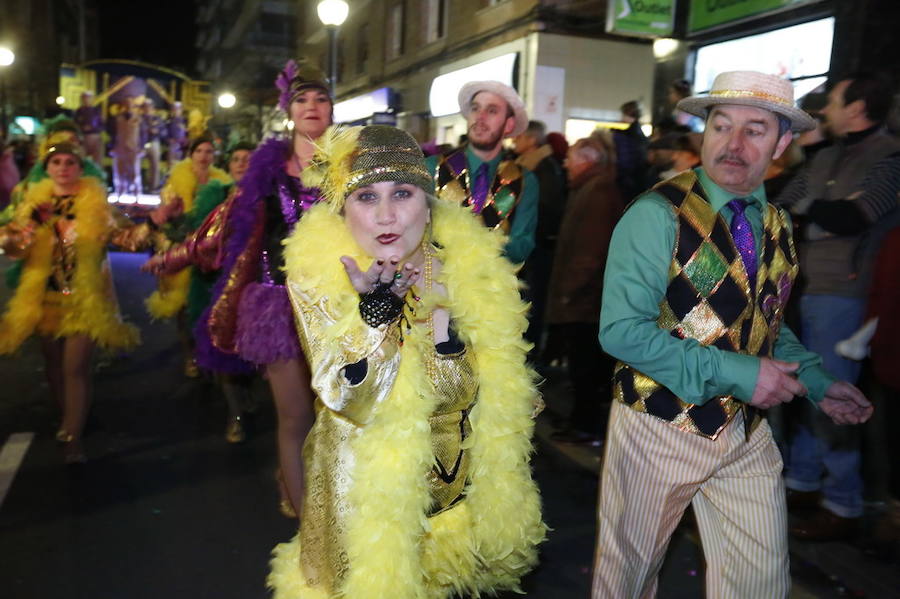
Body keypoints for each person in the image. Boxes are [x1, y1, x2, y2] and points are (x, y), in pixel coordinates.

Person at [592, 71, 874, 598]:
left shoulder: (777, 224)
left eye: (755, 130)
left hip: (744, 430)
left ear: (783, 144)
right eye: (721, 126)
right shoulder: (657, 213)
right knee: (627, 578)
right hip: (659, 425)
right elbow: (621, 333)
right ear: (704, 131)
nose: (734, 143)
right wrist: (742, 374)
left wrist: (816, 382)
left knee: (760, 578)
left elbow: (768, 324)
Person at [268, 124, 545, 599]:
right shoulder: (321, 279)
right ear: (342, 208)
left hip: (461, 504)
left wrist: (446, 330)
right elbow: (348, 396)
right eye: (366, 198)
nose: (386, 215)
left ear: (429, 201)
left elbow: (496, 394)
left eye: (402, 193)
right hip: (369, 508)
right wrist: (376, 318)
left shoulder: (468, 268)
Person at [143, 61, 329, 519]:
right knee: (295, 415)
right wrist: (174, 256)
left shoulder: (352, 164)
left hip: (338, 306)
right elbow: (224, 230)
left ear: (332, 109)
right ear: (289, 110)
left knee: (331, 416)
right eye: (302, 99)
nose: (312, 107)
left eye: (321, 99)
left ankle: (311, 481)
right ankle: (304, 511)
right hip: (277, 307)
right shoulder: (268, 169)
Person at [775, 72, 900, 541]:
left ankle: (842, 501)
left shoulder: (889, 157)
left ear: (857, 106)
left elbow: (856, 215)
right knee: (802, 386)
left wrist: (815, 208)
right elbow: (782, 205)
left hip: (846, 294)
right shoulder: (826, 154)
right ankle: (804, 482)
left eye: (833, 100)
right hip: (803, 286)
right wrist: (819, 209)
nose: (824, 108)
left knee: (834, 395)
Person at [0, 143, 170, 463]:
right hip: (45, 299)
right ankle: (70, 414)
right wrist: (33, 224)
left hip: (85, 299)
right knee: (54, 367)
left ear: (81, 168)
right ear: (47, 169)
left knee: (74, 369)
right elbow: (13, 248)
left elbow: (127, 239)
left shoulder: (96, 204)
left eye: (70, 162)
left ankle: (71, 436)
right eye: (56, 162)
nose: (63, 167)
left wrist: (155, 221)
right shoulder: (35, 202)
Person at [142, 142, 256, 442]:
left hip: (258, 285)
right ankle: (236, 415)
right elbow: (192, 237)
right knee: (224, 349)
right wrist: (176, 220)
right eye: (237, 159)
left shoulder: (269, 195)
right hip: (217, 283)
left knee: (255, 353)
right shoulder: (215, 196)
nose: (242, 163)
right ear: (229, 166)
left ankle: (245, 395)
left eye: (248, 159)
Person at [545, 135, 622, 446]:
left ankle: (586, 426)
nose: (565, 163)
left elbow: (590, 251)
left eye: (571, 158)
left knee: (586, 367)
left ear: (587, 160)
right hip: (586, 298)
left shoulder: (597, 193)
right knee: (582, 366)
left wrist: (570, 291)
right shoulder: (589, 189)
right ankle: (581, 421)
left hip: (588, 301)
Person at [424, 80, 539, 265]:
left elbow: (521, 246)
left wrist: (471, 248)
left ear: (509, 125)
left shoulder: (525, 180)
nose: (480, 117)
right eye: (475, 109)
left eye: (492, 111)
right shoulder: (432, 167)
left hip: (492, 288)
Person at [146, 134, 230, 380]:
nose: (204, 156)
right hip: (180, 248)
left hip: (208, 250)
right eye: (199, 151)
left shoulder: (222, 182)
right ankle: (189, 354)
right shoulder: (175, 183)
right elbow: (166, 218)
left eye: (209, 152)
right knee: (182, 306)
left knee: (208, 305)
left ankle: (209, 354)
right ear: (191, 154)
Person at [513, 119, 567, 353]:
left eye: (520, 136)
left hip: (537, 249)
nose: (514, 140)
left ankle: (530, 354)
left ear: (532, 139)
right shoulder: (531, 165)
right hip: (533, 246)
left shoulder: (542, 168)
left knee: (532, 304)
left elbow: (546, 210)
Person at [611, 100, 650, 202]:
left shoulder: (625, 135)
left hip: (628, 183)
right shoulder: (639, 134)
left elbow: (625, 162)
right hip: (637, 181)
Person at [111, 97, 143, 199]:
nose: (128, 105)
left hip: (134, 148)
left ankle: (136, 193)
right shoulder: (118, 118)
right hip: (120, 148)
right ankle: (119, 192)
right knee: (119, 171)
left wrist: (142, 147)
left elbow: (143, 134)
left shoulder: (138, 118)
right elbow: (112, 133)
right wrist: (112, 147)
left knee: (135, 171)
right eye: (126, 103)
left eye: (130, 103)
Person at [73, 91, 103, 165]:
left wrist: (93, 128)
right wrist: (82, 129)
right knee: (81, 159)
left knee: (97, 160)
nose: (86, 100)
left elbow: (102, 125)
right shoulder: (78, 112)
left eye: (88, 98)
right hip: (82, 138)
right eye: (84, 98)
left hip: (95, 137)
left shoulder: (96, 111)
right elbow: (75, 125)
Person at [140, 99, 164, 192]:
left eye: (149, 106)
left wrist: (157, 132)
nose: (147, 108)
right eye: (145, 106)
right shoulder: (139, 118)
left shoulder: (157, 119)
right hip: (141, 144)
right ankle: (137, 187)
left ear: (153, 107)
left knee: (155, 165)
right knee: (135, 165)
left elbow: (163, 132)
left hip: (154, 142)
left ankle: (153, 187)